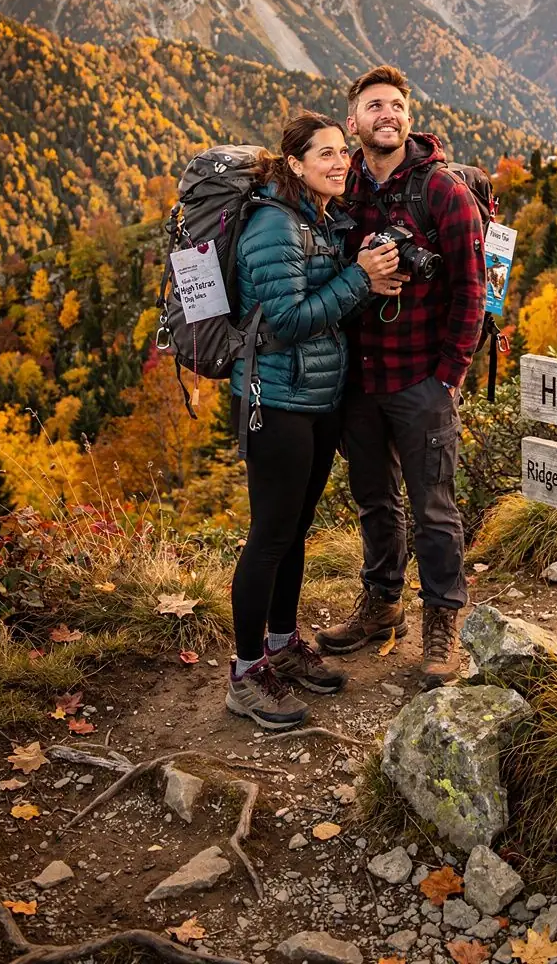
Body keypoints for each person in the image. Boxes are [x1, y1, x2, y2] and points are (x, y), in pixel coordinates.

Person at [226, 111, 401, 731]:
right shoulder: (275, 225)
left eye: (341, 153)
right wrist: (360, 279)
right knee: (270, 536)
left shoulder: (316, 218)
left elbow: (322, 311)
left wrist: (366, 278)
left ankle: (280, 646)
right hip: (276, 400)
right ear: (294, 164)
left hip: (316, 397)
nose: (338, 162)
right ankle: (246, 675)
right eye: (323, 154)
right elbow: (286, 323)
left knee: (294, 530)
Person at [315, 67, 486, 686]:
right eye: (372, 106)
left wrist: (449, 375)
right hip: (357, 379)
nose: (385, 114)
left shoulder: (442, 193)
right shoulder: (343, 185)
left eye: (395, 105)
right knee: (374, 501)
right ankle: (383, 605)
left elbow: (473, 290)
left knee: (434, 507)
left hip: (420, 380)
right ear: (353, 120)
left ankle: (443, 622)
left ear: (407, 116)